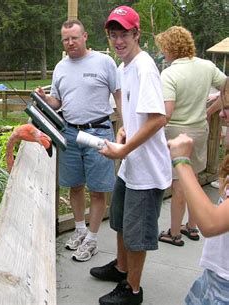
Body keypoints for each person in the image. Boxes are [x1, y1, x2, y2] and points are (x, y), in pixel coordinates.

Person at [91, 6, 171, 305]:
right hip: (131, 165)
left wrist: (123, 148)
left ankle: (132, 291)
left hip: (147, 169)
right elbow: (136, 114)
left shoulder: (144, 67)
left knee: (137, 233)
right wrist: (123, 128)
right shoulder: (124, 67)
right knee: (122, 222)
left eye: (124, 33)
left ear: (137, 34)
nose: (118, 40)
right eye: (113, 34)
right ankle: (121, 268)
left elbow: (157, 119)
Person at [34, 19, 121, 262]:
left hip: (99, 132)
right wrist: (45, 98)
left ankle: (92, 239)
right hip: (70, 133)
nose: (70, 42)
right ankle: (80, 230)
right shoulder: (61, 67)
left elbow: (119, 95)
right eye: (65, 39)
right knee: (74, 185)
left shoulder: (104, 62)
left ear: (85, 36)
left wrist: (126, 126)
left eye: (74, 37)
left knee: (97, 189)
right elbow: (58, 102)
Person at [154, 26, 227, 247]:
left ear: (169, 48)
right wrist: (210, 111)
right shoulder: (207, 66)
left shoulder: (169, 74)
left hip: (176, 133)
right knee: (193, 178)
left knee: (178, 183)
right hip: (200, 129)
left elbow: (166, 112)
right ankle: (192, 226)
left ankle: (174, 232)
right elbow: (227, 87)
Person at [167, 85, 229, 303]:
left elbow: (211, 224)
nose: (221, 114)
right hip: (216, 273)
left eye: (227, 108)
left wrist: (182, 162)